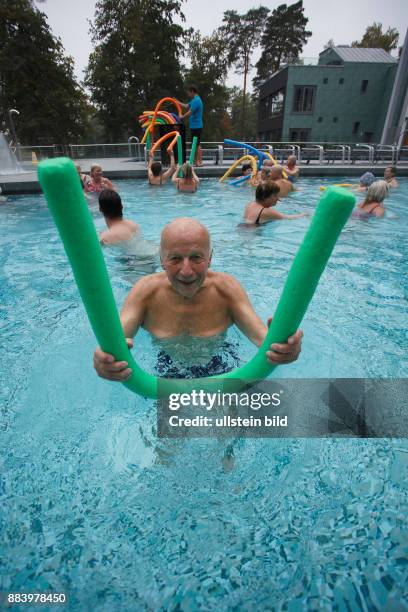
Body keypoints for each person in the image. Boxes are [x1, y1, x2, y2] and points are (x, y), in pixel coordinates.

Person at [93, 218, 303, 381]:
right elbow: (115, 343)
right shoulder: (145, 293)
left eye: (196, 258)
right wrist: (105, 361)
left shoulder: (226, 290)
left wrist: (284, 349)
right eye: (175, 258)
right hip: (169, 368)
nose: (186, 271)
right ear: (161, 260)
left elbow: (262, 339)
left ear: (210, 258)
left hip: (219, 365)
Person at [177, 85, 203, 166]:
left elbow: (190, 111)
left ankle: (199, 162)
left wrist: (182, 116)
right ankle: (196, 162)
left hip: (197, 126)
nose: (188, 95)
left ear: (192, 91)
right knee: (195, 144)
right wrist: (176, 101)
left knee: (197, 144)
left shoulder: (197, 101)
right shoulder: (194, 100)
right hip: (194, 126)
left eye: (189, 93)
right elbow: (186, 106)